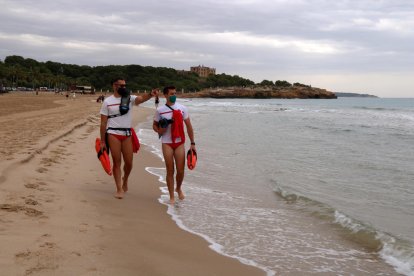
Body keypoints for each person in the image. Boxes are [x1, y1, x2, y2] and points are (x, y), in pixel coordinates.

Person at [100, 77, 158, 199]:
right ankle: (119, 188)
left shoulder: (129, 98)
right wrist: (102, 141)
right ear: (114, 86)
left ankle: (125, 179)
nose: (123, 88)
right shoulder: (107, 102)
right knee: (117, 162)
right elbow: (103, 123)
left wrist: (150, 94)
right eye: (120, 85)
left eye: (124, 85)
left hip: (127, 134)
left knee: (129, 163)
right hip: (113, 133)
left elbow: (141, 99)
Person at [153, 86, 196, 204]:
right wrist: (159, 130)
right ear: (165, 95)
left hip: (179, 142)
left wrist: (192, 143)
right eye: (171, 93)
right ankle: (171, 195)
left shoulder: (182, 108)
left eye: (175, 93)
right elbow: (154, 125)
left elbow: (189, 126)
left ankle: (178, 188)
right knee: (170, 170)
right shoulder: (160, 110)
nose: (174, 96)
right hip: (166, 142)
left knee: (181, 170)